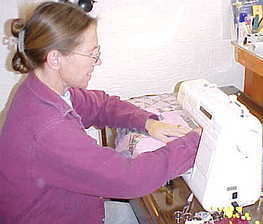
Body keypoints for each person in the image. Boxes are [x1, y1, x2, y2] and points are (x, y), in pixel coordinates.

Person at [0, 2, 201, 224]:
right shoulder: (48, 128)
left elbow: (101, 105)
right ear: (55, 59)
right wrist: (196, 143)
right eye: (91, 54)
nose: (98, 61)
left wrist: (146, 122)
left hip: (69, 205)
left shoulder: (42, 89)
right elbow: (130, 179)